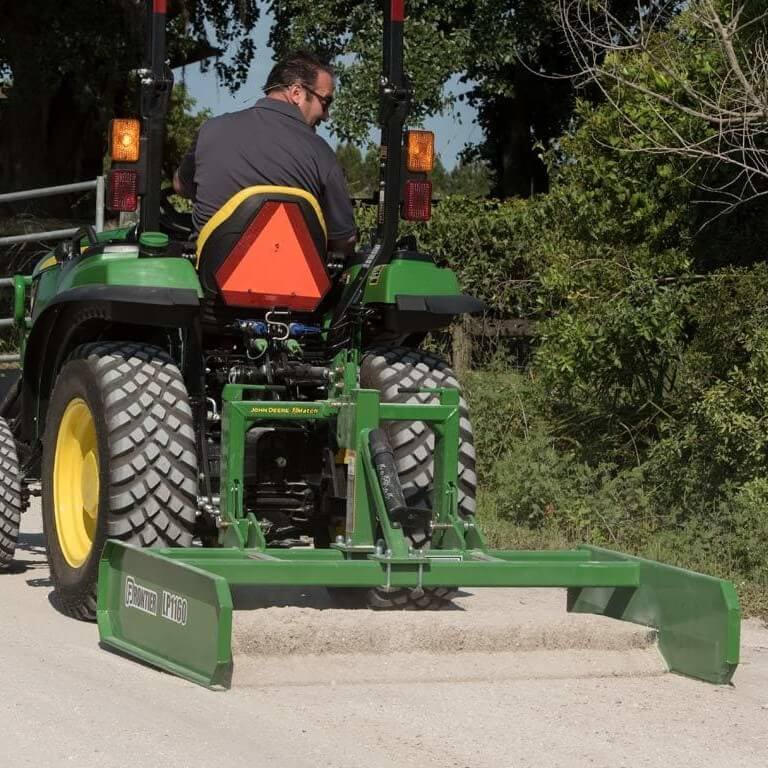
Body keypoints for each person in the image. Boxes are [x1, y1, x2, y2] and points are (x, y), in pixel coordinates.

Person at [173, 50, 356, 256]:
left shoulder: (211, 130)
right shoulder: (322, 153)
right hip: (291, 275)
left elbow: (180, 186)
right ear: (296, 93)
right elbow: (344, 240)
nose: (326, 116)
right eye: (325, 102)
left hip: (211, 272)